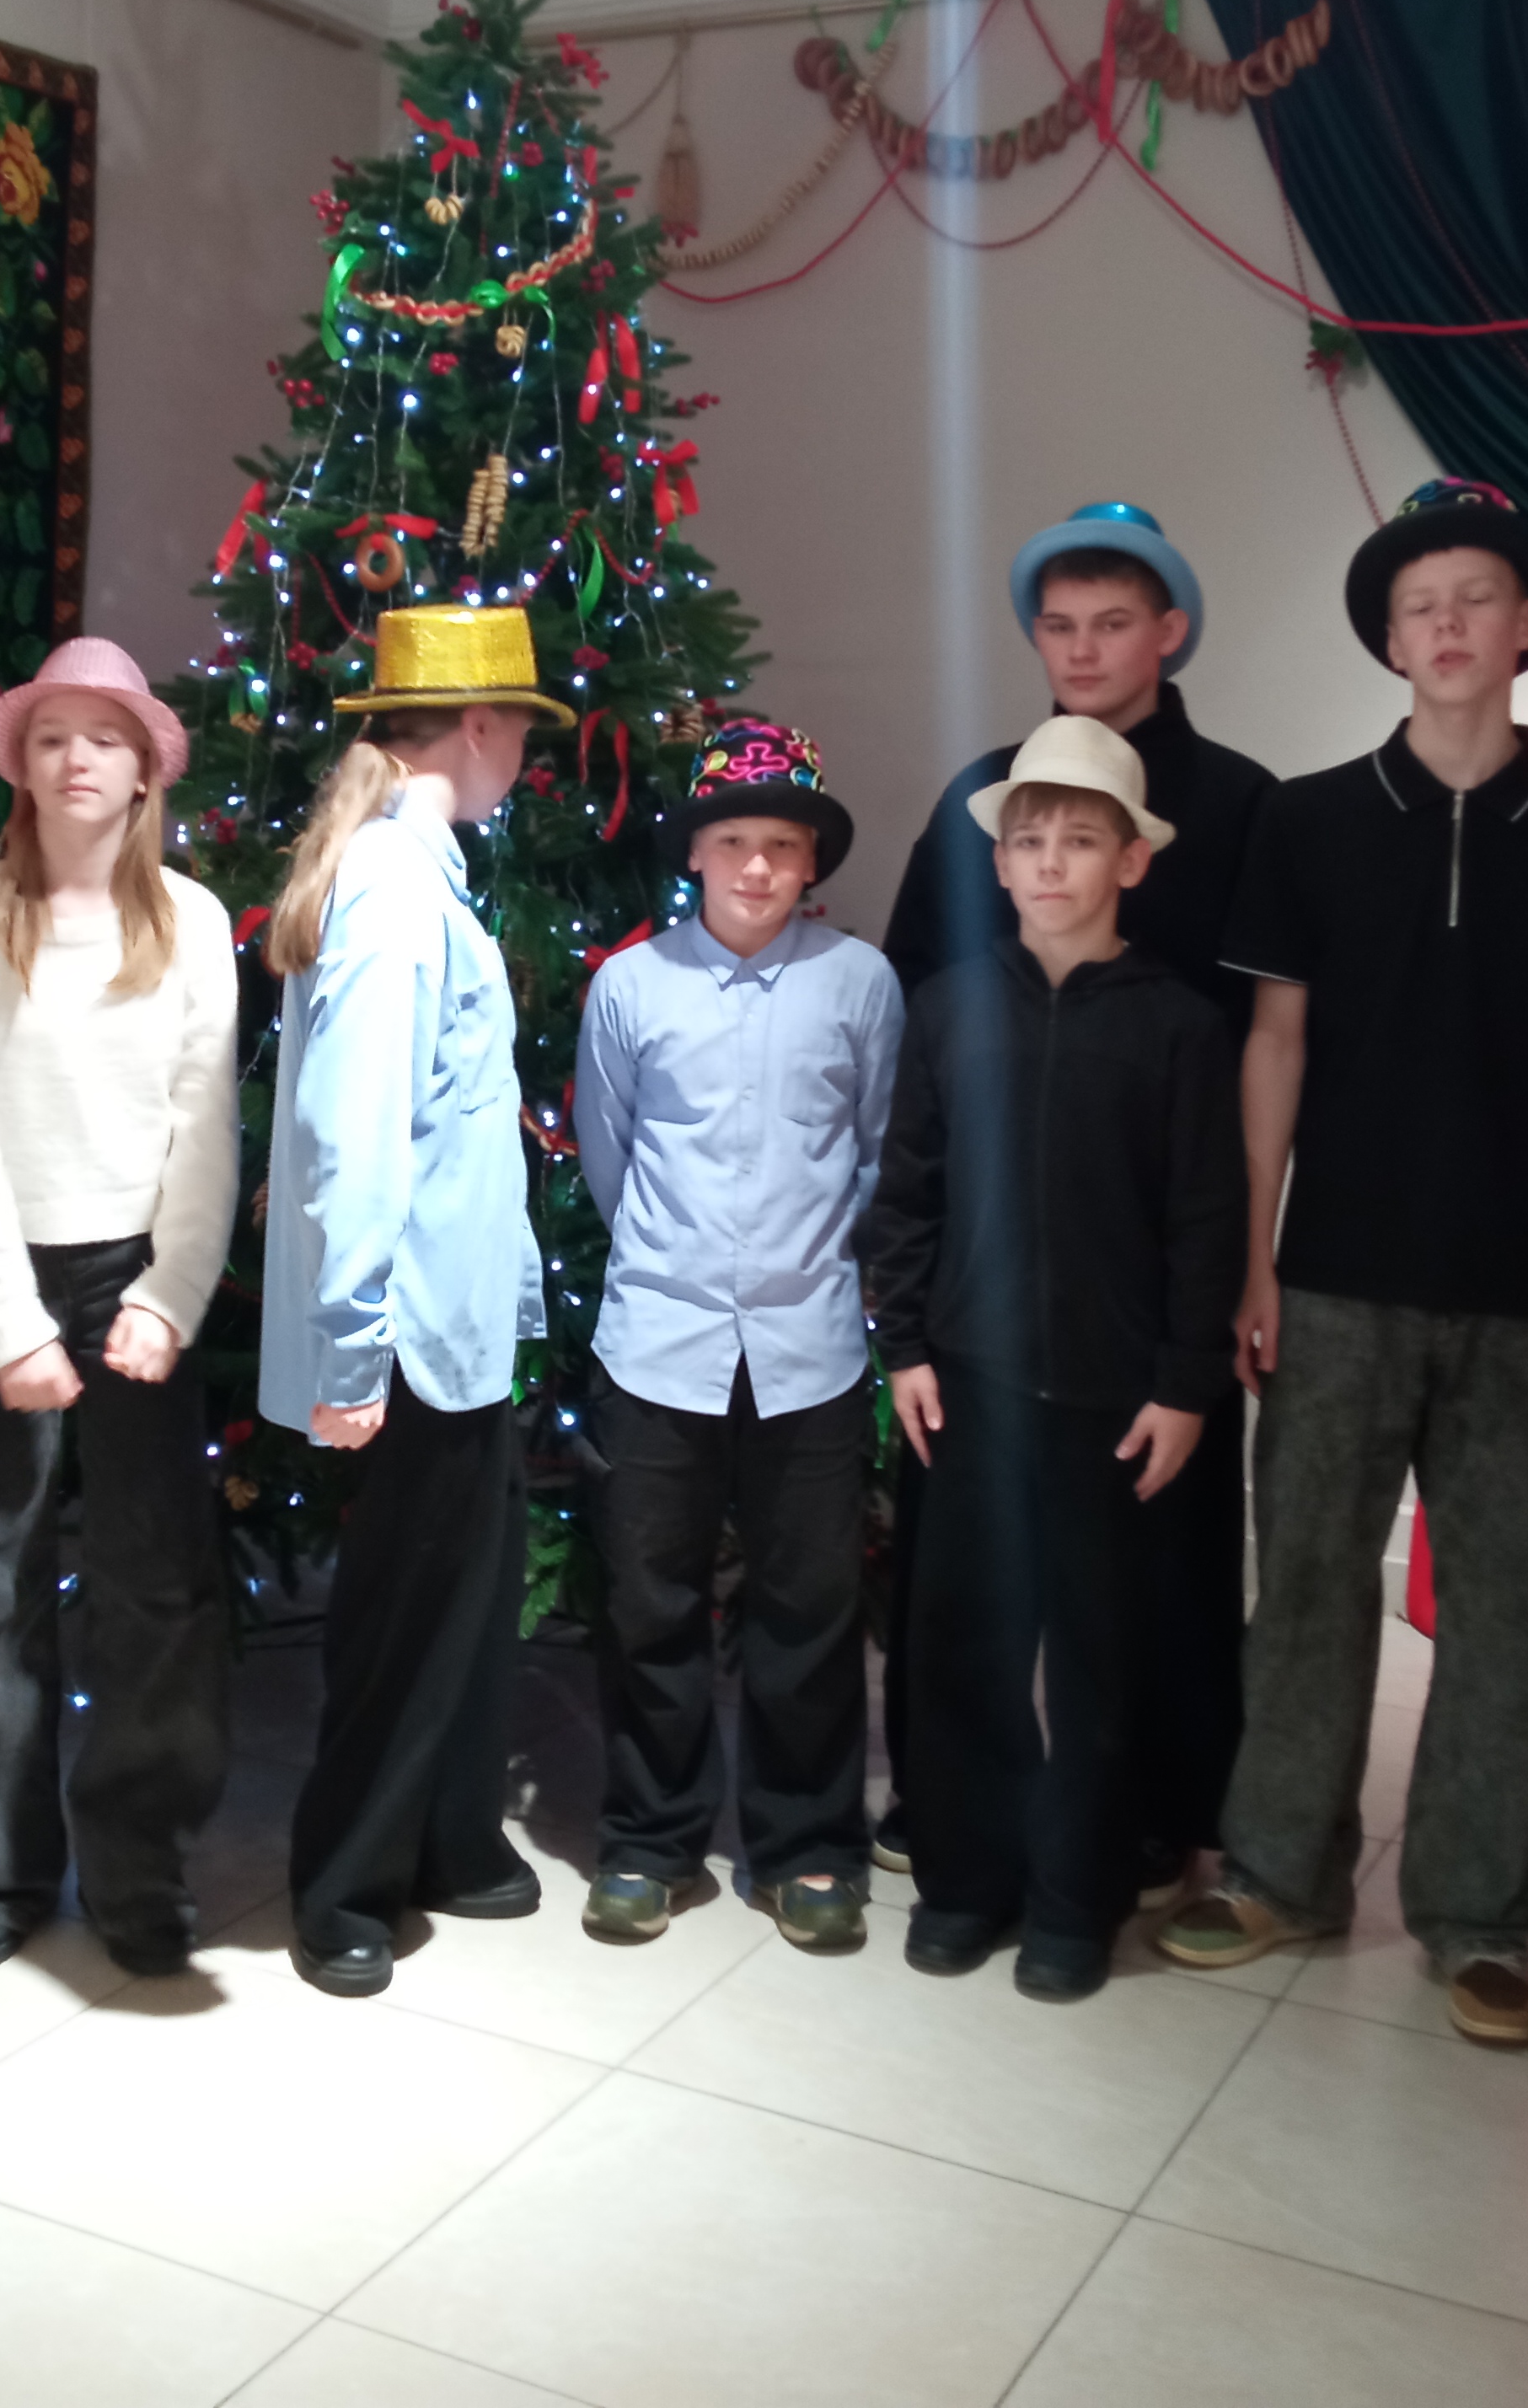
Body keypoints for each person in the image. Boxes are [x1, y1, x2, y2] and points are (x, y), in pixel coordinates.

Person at [1156, 480, 1528, 2053]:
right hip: (1333, 1279)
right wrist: (1254, 1258)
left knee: (1507, 1612)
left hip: (1525, 1292)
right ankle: (1282, 1871)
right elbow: (1276, 1045)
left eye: (1475, 599)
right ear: (1388, 639)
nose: (1446, 627)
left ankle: (1478, 1911)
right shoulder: (1308, 821)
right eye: (1419, 606)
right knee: (1308, 1589)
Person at [876, 502, 1274, 1899]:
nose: (1085, 649)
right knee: (965, 1578)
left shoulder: (1241, 803)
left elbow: (1268, 1034)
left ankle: (1159, 1808)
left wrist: (1230, 1279)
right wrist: (910, 1299)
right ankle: (952, 1817)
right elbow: (917, 994)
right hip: (985, 1274)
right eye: (1060, 626)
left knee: (1149, 1568)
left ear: (1171, 631)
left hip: (1148, 1246)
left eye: (1114, 624)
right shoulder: (983, 792)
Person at [0, 639, 240, 1982]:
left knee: (154, 1584)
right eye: (53, 737)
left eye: (105, 736)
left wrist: (169, 1296)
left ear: (146, 768)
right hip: (0, 1275)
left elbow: (206, 1131)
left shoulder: (194, 921)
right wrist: (6, 1323)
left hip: (137, 1277)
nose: (77, 758)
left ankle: (139, 1867)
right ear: (24, 767)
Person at [260, 604, 570, 1999]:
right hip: (412, 1338)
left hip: (459, 1327)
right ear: (484, 726)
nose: (525, 761)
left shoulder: (420, 876)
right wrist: (353, 1349)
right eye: (522, 736)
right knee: (402, 1608)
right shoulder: (393, 890)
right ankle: (345, 1881)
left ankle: (447, 1836)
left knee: (467, 1594)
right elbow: (359, 1135)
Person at [572, 718, 901, 1953]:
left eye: (783, 845)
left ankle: (806, 1847)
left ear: (812, 861)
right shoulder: (632, 987)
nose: (758, 866)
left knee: (808, 1607)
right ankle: (650, 1841)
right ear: (695, 854)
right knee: (649, 1602)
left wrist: (812, 1267)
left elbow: (876, 1151)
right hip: (659, 1343)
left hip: (809, 1348)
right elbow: (610, 1155)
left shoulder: (860, 985)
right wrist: (680, 1263)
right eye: (733, 842)